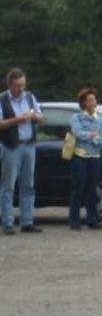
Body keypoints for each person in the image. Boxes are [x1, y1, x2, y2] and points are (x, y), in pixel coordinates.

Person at [0, 68, 45, 235]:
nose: (21, 89)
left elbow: (41, 118)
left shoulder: (30, 97)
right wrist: (17, 120)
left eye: (23, 85)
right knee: (8, 186)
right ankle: (8, 223)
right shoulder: (2, 100)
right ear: (10, 85)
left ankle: (27, 221)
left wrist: (34, 117)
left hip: (29, 146)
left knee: (28, 185)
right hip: (11, 146)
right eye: (17, 86)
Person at [68, 88, 102, 230]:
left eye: (94, 99)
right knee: (79, 187)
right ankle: (74, 220)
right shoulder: (77, 117)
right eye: (89, 100)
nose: (92, 102)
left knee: (92, 189)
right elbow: (77, 132)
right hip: (80, 156)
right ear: (83, 103)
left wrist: (93, 139)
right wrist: (92, 134)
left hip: (95, 156)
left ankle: (92, 219)